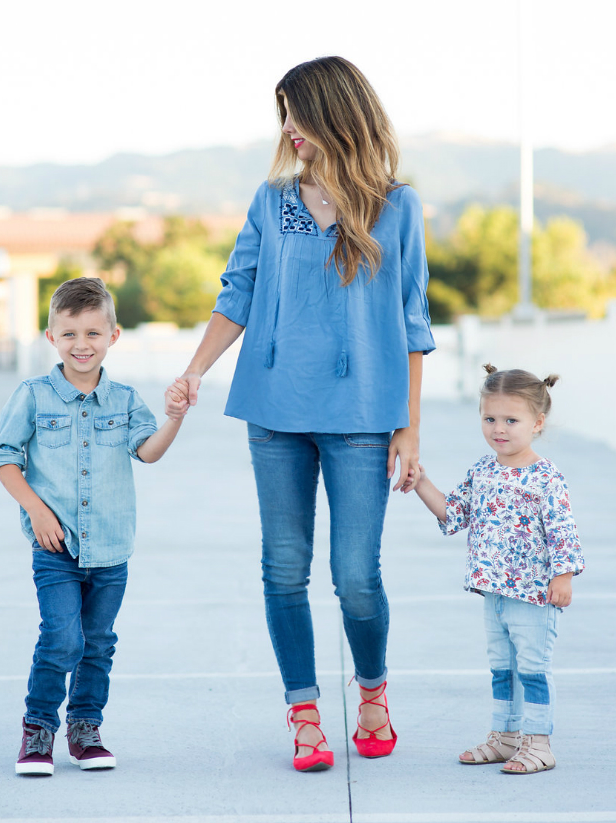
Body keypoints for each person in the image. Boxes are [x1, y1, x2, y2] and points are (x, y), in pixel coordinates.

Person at [165, 56, 436, 771]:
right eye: (283, 114)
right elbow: (238, 293)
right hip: (275, 410)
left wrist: (409, 427)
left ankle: (371, 691)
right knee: (283, 569)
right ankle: (305, 712)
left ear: (338, 115)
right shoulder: (271, 199)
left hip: (362, 416)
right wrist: (194, 371)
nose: (289, 129)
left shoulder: (397, 206)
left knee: (355, 576)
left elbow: (413, 322)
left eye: (299, 113)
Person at [0, 277, 185, 775]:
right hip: (55, 548)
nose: (82, 345)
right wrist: (35, 509)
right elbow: (3, 459)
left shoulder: (124, 400)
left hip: (112, 550)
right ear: (51, 336)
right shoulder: (32, 395)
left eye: (93, 334)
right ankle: (37, 731)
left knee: (98, 642)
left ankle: (85, 728)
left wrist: (174, 418)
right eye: (70, 334)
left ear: (114, 336)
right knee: (62, 639)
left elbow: (149, 451)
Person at [412, 363, 585, 774]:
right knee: (501, 667)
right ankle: (506, 737)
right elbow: (454, 514)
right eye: (490, 418)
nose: (499, 429)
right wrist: (420, 481)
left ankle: (538, 743)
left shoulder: (546, 477)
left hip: (533, 594)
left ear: (537, 422)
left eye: (511, 419)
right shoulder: (483, 469)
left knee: (532, 668)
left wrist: (563, 575)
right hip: (493, 592)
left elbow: (563, 530)